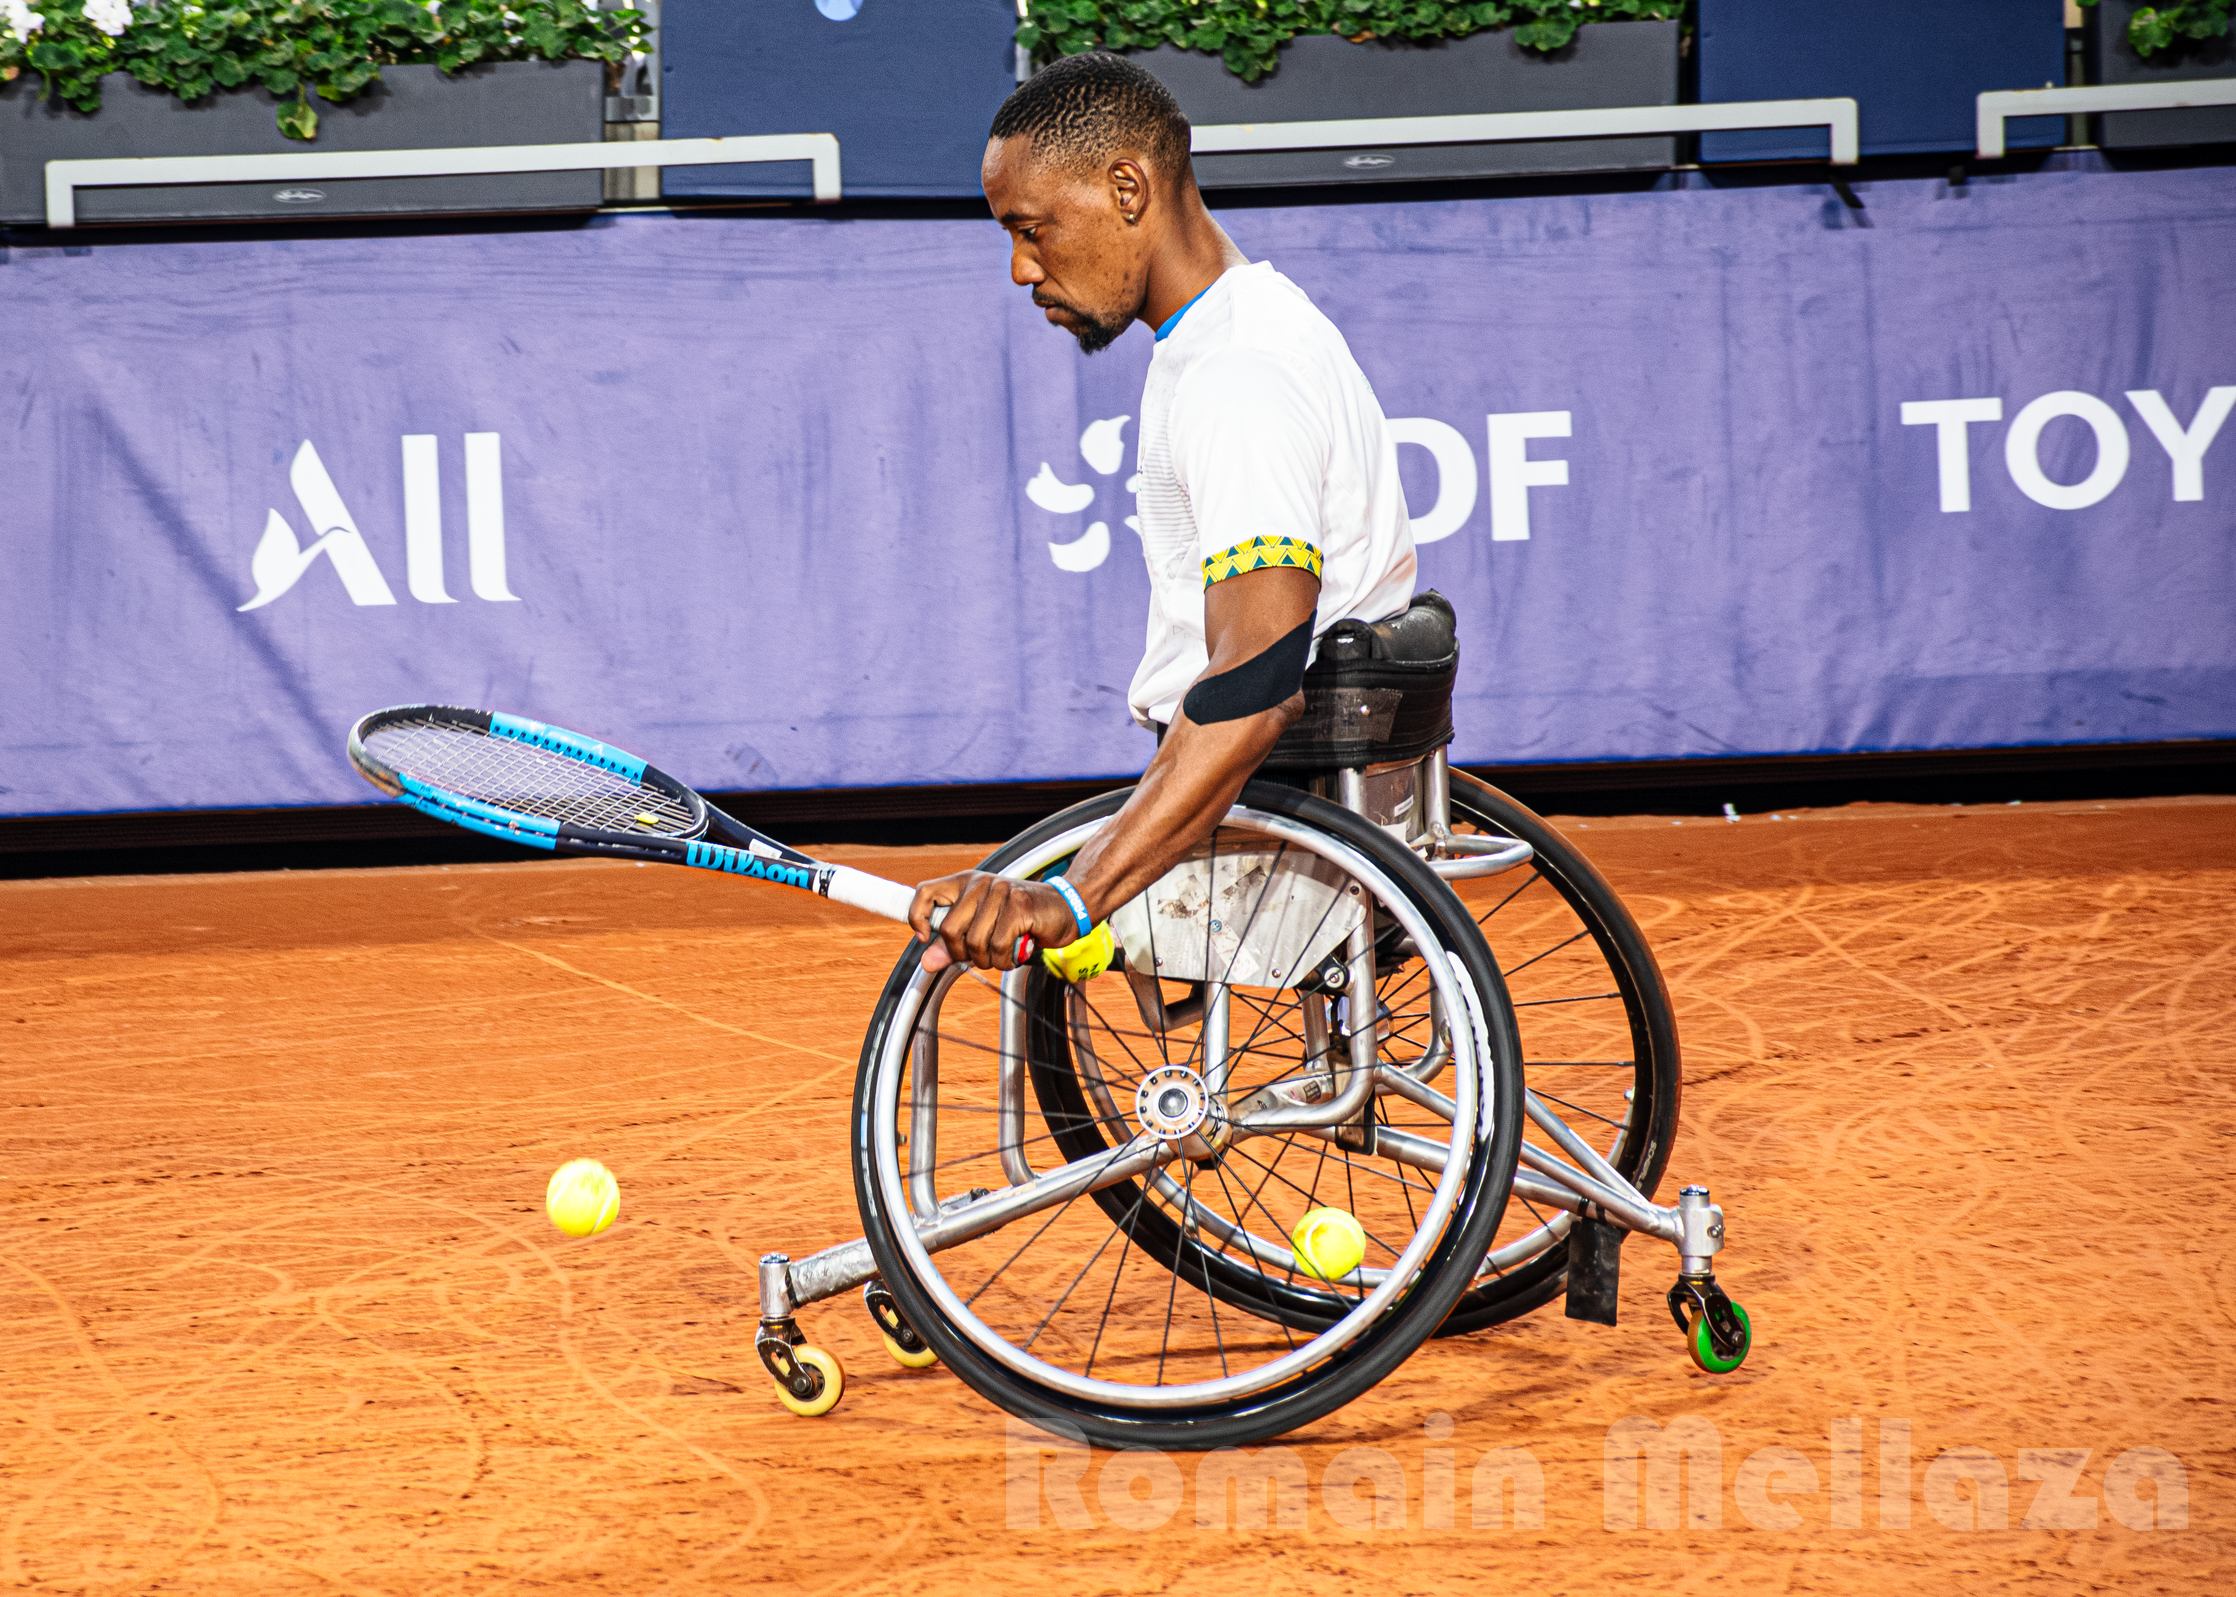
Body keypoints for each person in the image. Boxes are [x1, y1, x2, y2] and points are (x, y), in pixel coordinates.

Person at [910, 51, 1418, 973]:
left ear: (1128, 188)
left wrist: (1076, 894)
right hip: (1293, 806)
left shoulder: (1237, 375)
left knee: (1037, 909)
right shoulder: (1251, 324)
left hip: (1271, 839)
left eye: (1033, 229)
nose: (1022, 269)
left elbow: (1256, 686)